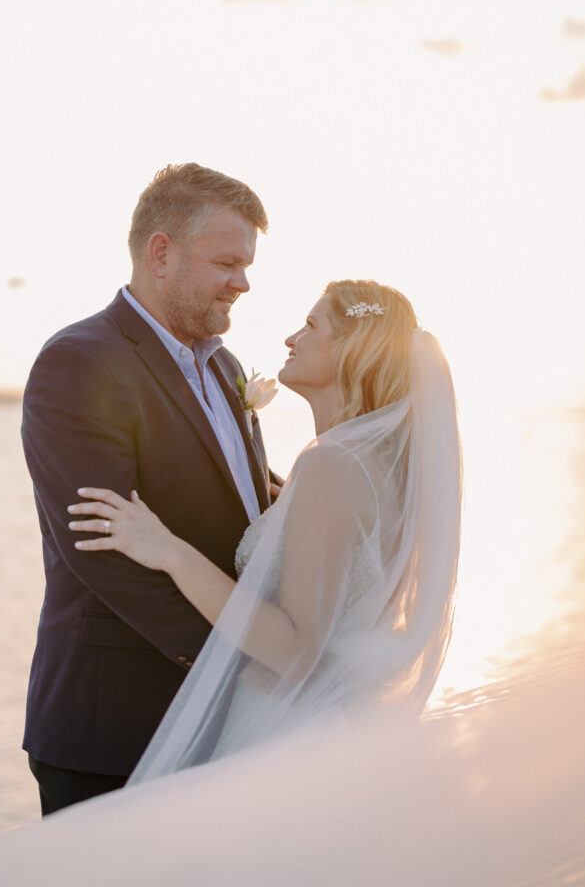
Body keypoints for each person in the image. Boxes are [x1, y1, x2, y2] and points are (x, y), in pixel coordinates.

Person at [67, 279, 463, 781]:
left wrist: (170, 552)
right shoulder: (382, 467)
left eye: (312, 325)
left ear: (351, 352)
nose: (291, 338)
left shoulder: (331, 466)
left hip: (282, 735)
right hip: (339, 731)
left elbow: (295, 651)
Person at [21, 162, 272, 814]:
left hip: (224, 722)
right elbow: (100, 549)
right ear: (161, 253)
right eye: (226, 263)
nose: (243, 283)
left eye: (246, 266)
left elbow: (235, 510)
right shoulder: (79, 361)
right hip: (116, 724)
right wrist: (248, 659)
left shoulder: (226, 368)